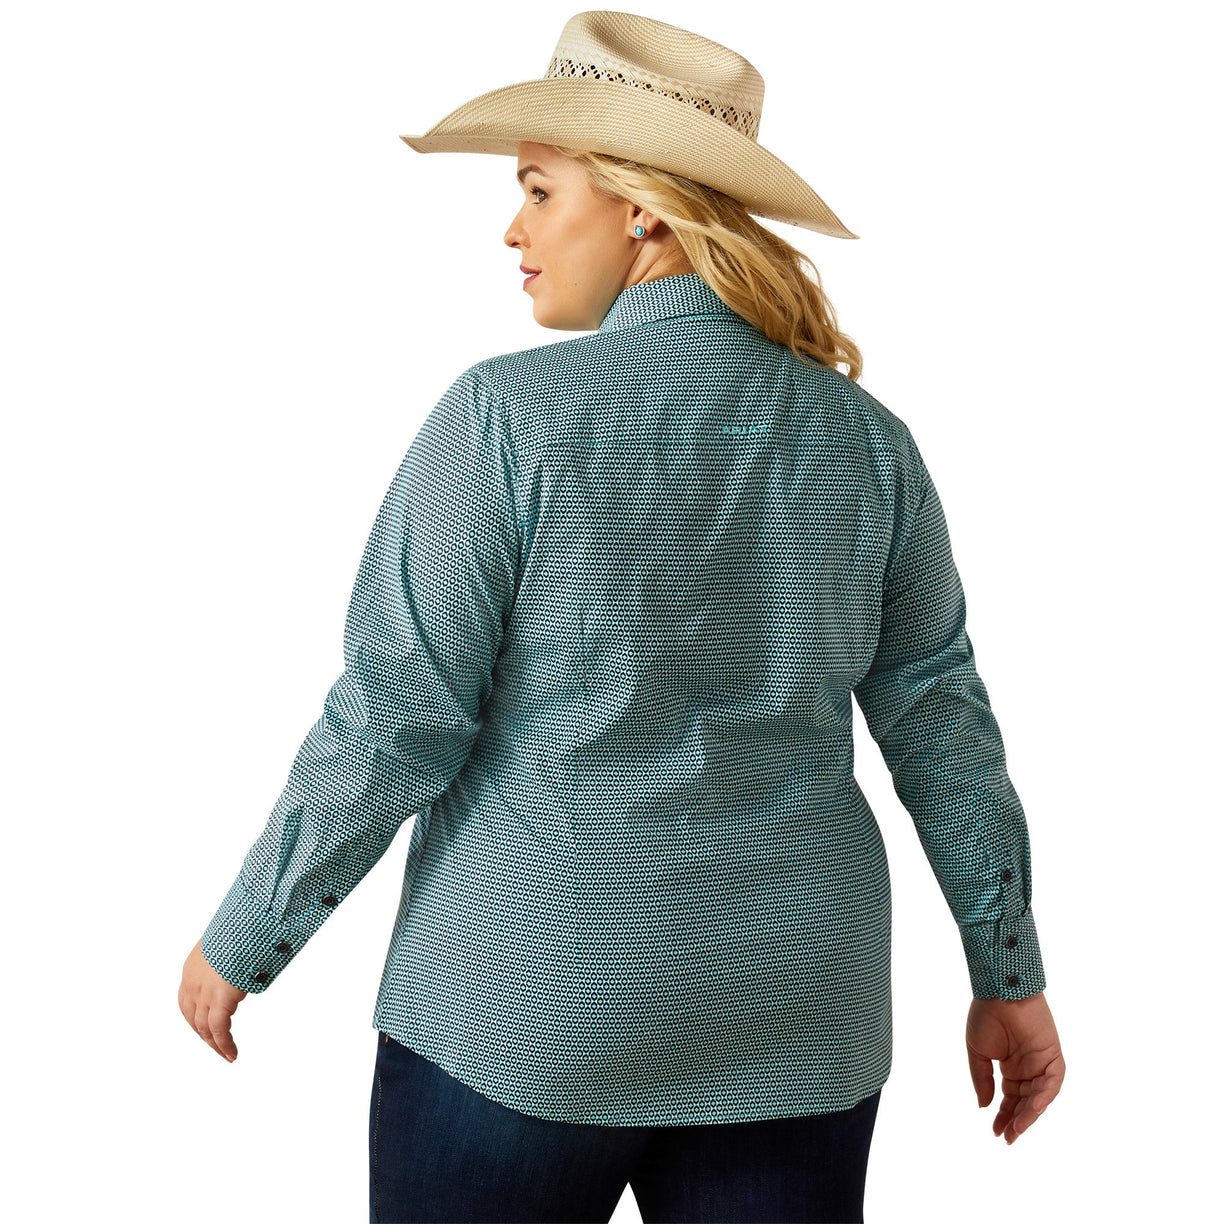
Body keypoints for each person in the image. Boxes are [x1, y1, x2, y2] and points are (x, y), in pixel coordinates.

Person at [178, 11, 1065, 1222]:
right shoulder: (870, 444)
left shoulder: (501, 419)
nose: (514, 228)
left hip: (530, 1001)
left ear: (643, 209)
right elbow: (939, 718)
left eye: (541, 191)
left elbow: (397, 715)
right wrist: (1006, 969)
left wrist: (250, 931)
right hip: (797, 1010)